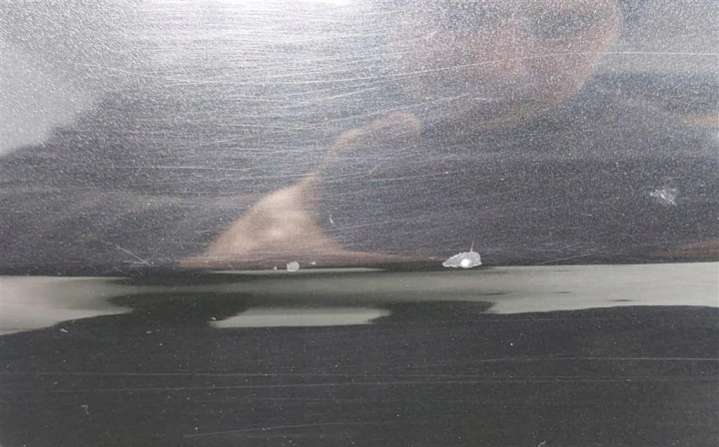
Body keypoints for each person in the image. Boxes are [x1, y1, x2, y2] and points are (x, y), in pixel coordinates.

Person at [190, 0, 717, 268]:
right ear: (391, 16)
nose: (501, 65)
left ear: (612, 32)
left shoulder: (678, 163)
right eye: (462, 13)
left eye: (562, 26)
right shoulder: (242, 120)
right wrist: (238, 245)